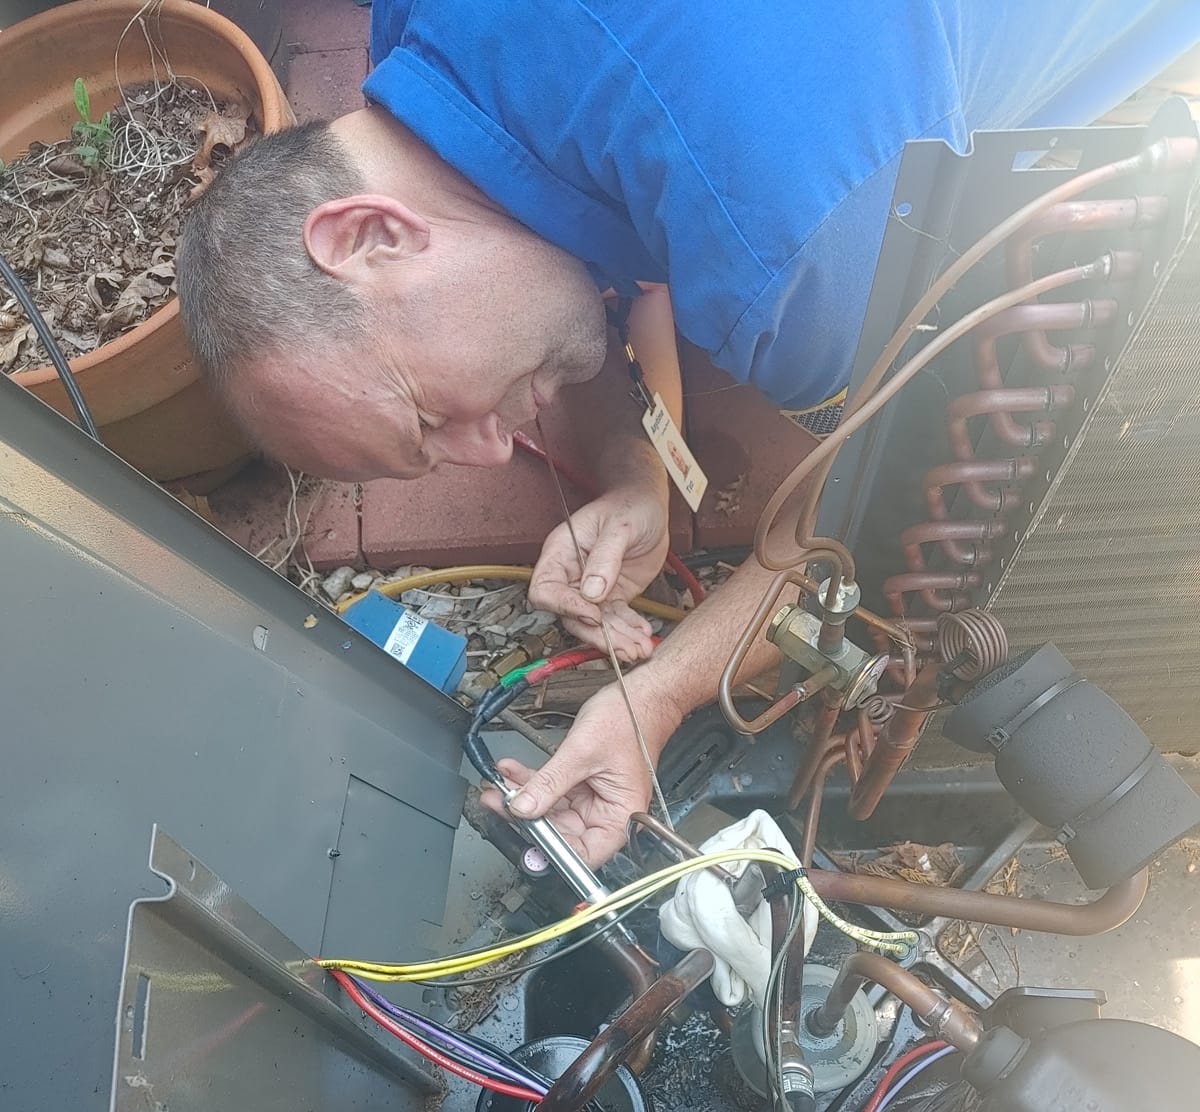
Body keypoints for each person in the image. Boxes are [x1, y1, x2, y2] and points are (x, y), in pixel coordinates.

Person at [177, 0, 1199, 865]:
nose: (489, 452)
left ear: (370, 234)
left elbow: (849, 537)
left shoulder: (794, 266)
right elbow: (557, 238)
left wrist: (656, 699)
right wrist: (633, 469)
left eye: (429, 415)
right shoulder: (418, 28)